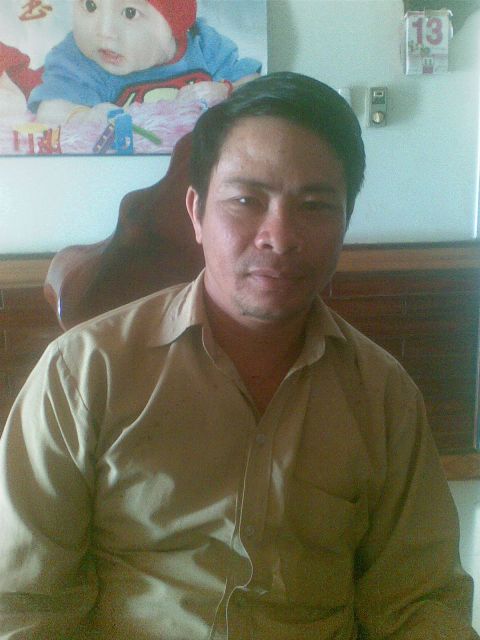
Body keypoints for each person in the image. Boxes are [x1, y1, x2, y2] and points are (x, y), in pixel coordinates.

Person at [0, 72, 477, 640]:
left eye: (316, 205)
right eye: (247, 200)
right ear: (196, 213)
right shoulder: (83, 371)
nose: (279, 236)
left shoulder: (382, 394)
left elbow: (418, 601)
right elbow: (23, 602)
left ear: (345, 222)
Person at [26, 0, 261, 125]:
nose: (104, 31)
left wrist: (226, 89)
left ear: (173, 23)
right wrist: (85, 118)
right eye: (90, 5)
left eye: (130, 13)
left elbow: (255, 83)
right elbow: (49, 110)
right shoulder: (77, 58)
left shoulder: (203, 43)